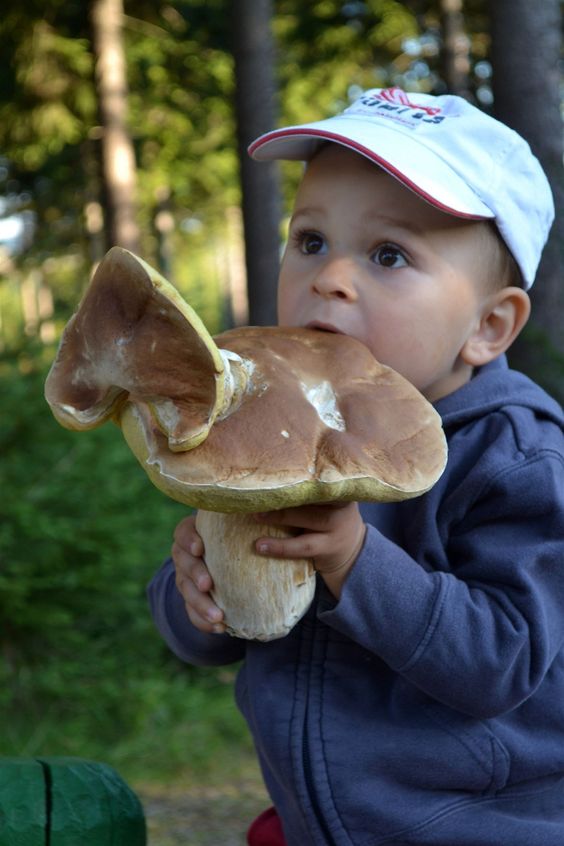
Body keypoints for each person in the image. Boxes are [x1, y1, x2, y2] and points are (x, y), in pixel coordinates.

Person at [147, 88, 564, 845]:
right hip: (316, 822)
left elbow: (503, 662)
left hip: (480, 829)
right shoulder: (259, 421)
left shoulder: (515, 457)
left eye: (388, 255)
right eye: (310, 241)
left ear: (488, 326)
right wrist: (195, 593)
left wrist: (359, 562)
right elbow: (216, 639)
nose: (331, 277)